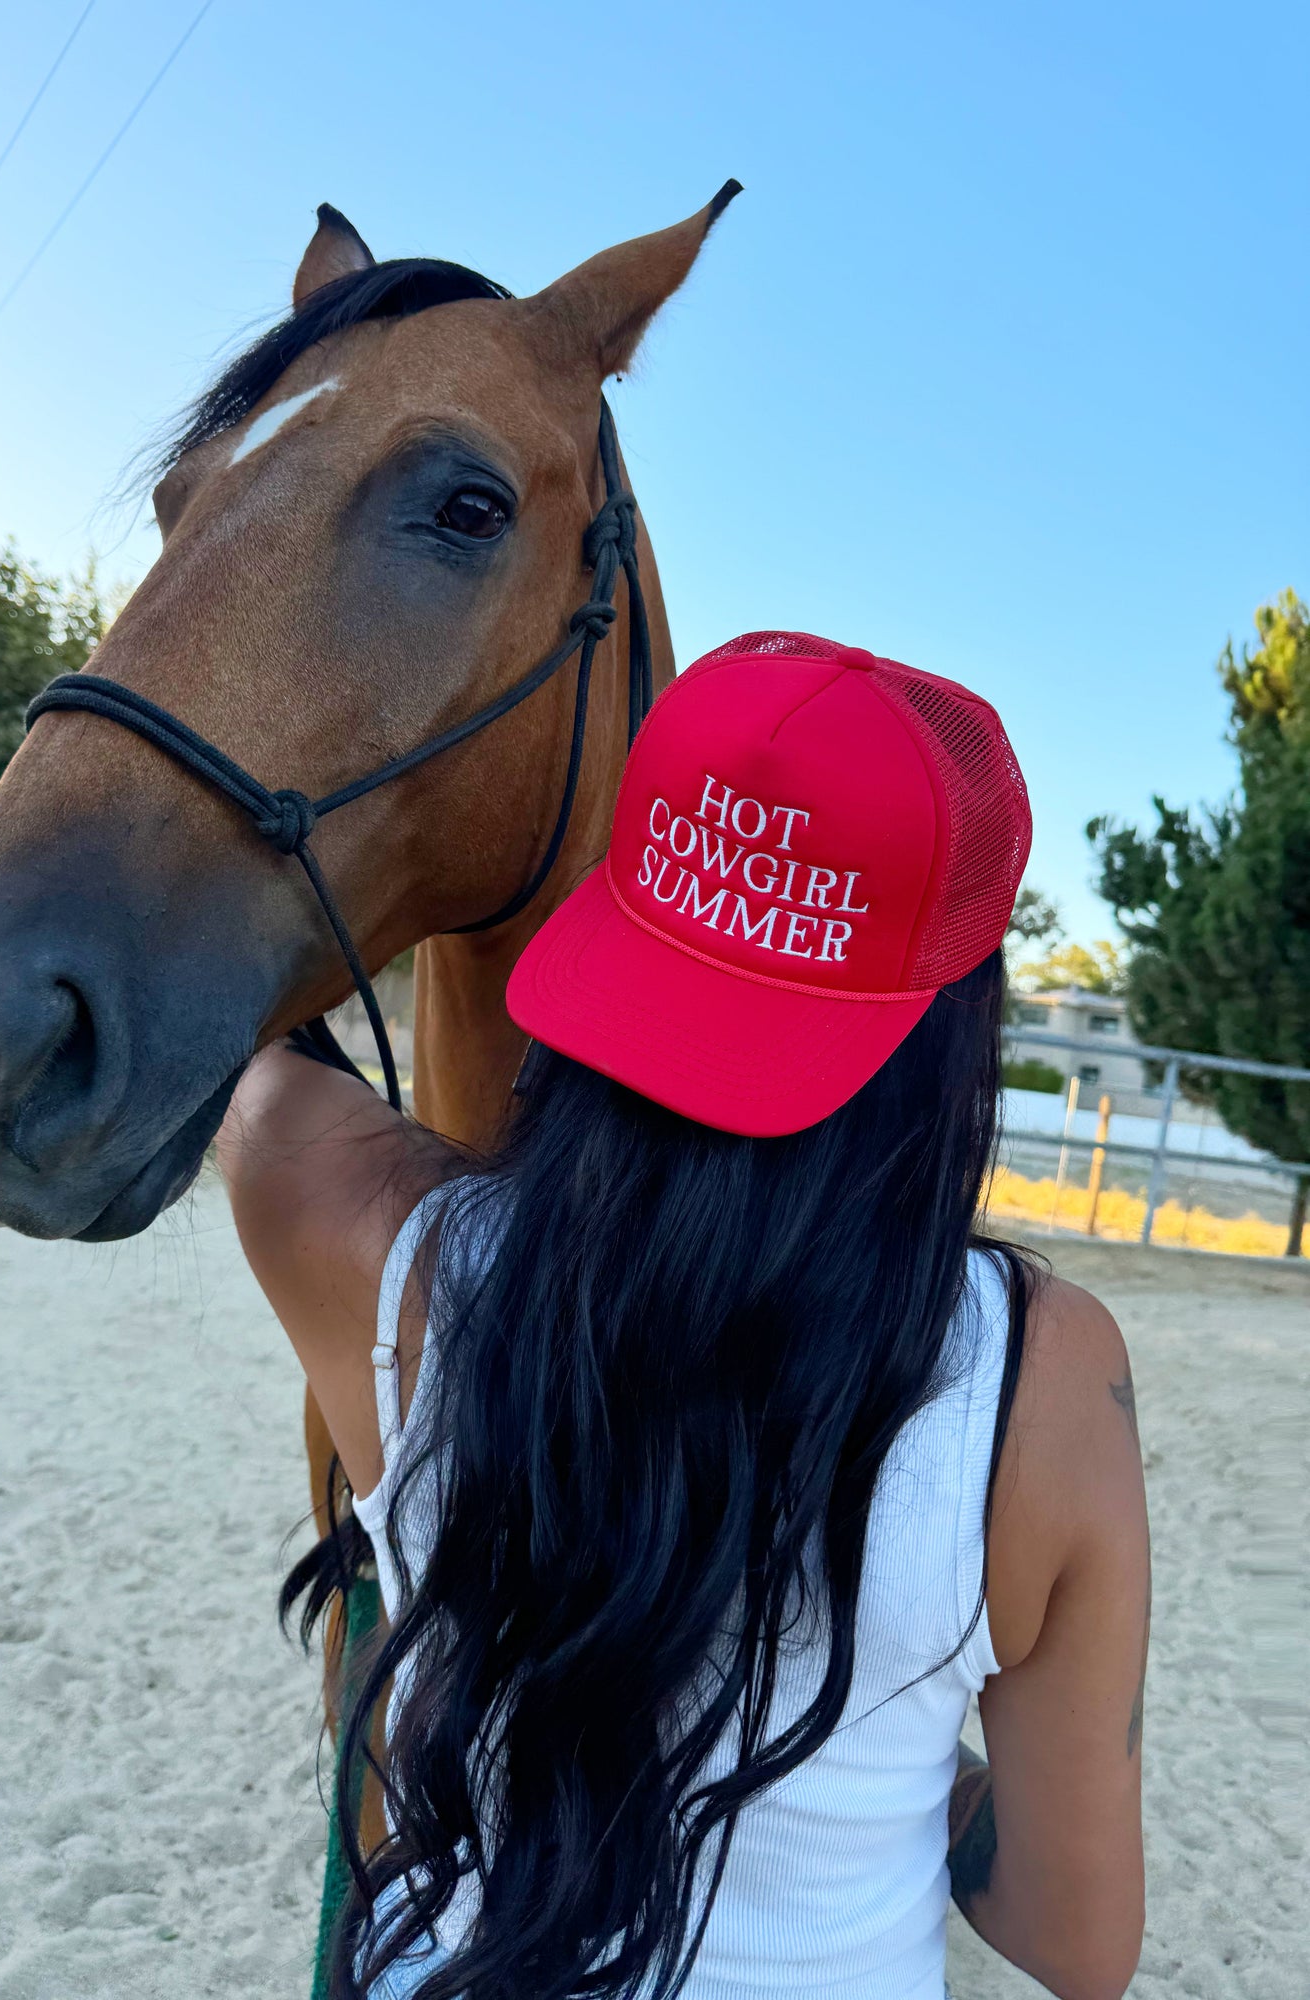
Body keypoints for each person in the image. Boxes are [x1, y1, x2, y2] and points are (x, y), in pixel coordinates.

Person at [218, 632, 1149, 2000]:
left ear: (618, 910)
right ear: (957, 1017)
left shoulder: (347, 1229)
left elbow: (260, 1059)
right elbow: (1076, 1943)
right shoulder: (1047, 1378)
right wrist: (890, 1738)